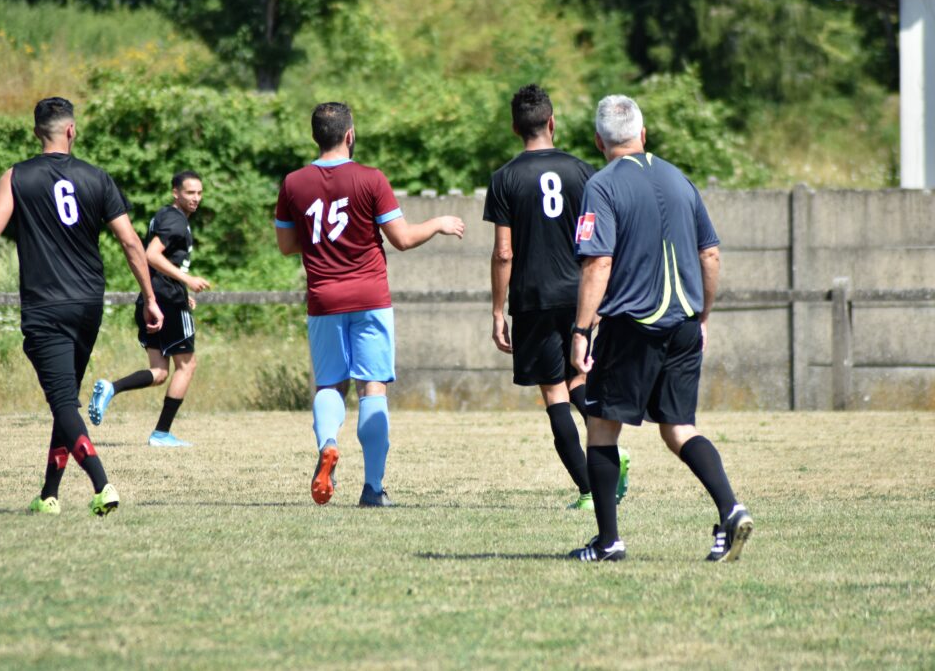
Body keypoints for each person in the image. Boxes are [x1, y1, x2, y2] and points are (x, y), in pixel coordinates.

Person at [569, 94, 753, 562]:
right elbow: (710, 255)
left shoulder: (603, 185)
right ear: (644, 135)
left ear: (598, 141)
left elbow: (598, 263)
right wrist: (703, 316)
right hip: (685, 324)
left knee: (602, 427)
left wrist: (581, 331)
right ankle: (730, 509)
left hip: (633, 325)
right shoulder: (680, 179)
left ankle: (608, 542)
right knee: (678, 428)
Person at [0, 97, 163, 516]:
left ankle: (103, 484)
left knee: (62, 400)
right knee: (65, 398)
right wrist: (149, 298)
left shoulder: (17, 176)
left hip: (45, 305)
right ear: (71, 130)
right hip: (88, 302)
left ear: (36, 131)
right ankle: (48, 494)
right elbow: (131, 243)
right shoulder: (97, 178)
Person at [275, 102, 465, 507]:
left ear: (315, 137)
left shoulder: (293, 183)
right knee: (371, 387)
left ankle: (328, 443)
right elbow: (402, 238)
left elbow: (286, 245)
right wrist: (438, 223)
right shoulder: (371, 179)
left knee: (330, 384)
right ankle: (373, 489)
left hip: (323, 298)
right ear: (349, 135)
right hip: (369, 296)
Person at [483, 84, 629, 511]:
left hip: (533, 299)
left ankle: (588, 492)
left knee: (553, 394)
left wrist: (497, 310)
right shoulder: (585, 172)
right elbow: (602, 240)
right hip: (580, 293)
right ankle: (613, 456)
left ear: (515, 128)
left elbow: (503, 252)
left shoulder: (504, 178)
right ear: (552, 121)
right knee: (580, 380)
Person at [87, 171, 211, 447]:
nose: (196, 198)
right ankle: (161, 433)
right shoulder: (176, 221)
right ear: (175, 193)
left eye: (199, 193)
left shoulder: (165, 216)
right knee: (187, 365)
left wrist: (178, 290)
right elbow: (151, 255)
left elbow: (157, 262)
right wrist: (186, 281)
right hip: (165, 301)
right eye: (190, 193)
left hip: (154, 298)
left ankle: (112, 388)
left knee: (159, 372)